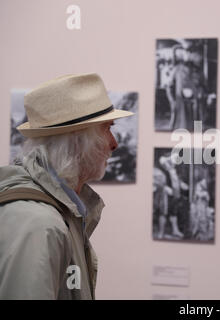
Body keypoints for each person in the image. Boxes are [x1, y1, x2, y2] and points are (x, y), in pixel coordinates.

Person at [0, 73, 134, 299]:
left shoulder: (61, 209)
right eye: (106, 128)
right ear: (77, 141)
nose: (114, 143)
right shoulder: (39, 224)